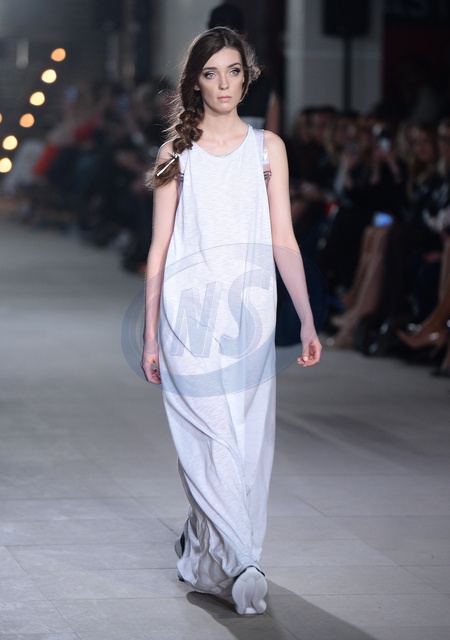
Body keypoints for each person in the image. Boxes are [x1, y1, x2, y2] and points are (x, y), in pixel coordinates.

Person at [140, 27, 321, 615]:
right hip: (186, 318)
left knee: (244, 446)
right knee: (211, 438)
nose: (224, 84)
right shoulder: (176, 155)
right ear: (195, 81)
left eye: (234, 71)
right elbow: (159, 249)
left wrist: (307, 318)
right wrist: (150, 335)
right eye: (211, 73)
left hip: (250, 319)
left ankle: (205, 552)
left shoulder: (268, 149)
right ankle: (244, 563)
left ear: (248, 78)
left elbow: (284, 239)